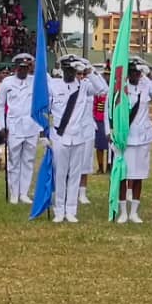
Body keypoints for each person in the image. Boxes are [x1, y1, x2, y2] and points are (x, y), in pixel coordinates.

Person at [49, 57, 107, 223]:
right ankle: (59, 210)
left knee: (75, 174)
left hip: (79, 136)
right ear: (62, 69)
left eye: (72, 70)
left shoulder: (84, 86)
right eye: (67, 70)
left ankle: (71, 210)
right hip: (60, 136)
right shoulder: (53, 85)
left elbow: (103, 89)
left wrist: (89, 70)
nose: (69, 73)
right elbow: (45, 107)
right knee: (60, 175)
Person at [109, 59, 152, 223]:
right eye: (132, 72)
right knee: (123, 175)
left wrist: (149, 74)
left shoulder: (145, 85)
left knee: (139, 175)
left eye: (138, 72)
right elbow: (111, 109)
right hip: (124, 138)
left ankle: (134, 212)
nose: (135, 75)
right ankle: (122, 212)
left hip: (142, 137)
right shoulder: (120, 87)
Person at [0, 53, 41, 205]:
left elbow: (47, 82)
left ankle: (24, 193)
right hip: (13, 127)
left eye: (26, 67)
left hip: (31, 126)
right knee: (14, 161)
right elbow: (0, 105)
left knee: (28, 161)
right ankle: (14, 193)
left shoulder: (35, 81)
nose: (23, 70)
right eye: (21, 68)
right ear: (15, 68)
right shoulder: (7, 82)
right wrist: (2, 125)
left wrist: (36, 67)